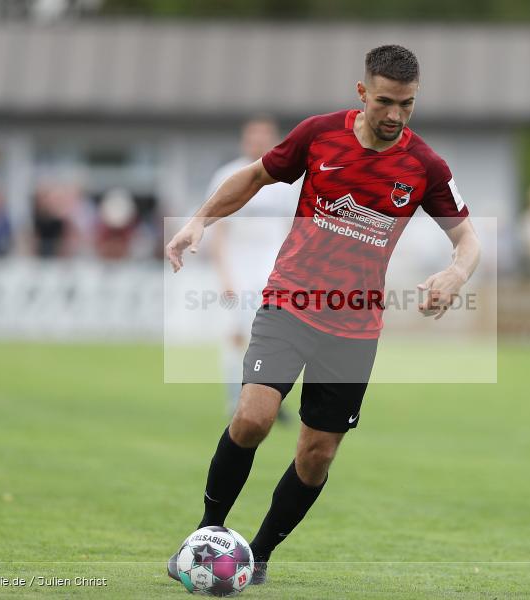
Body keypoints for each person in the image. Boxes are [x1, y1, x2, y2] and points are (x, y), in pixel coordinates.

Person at [164, 45, 480, 586]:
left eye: (406, 105)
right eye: (384, 101)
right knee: (252, 419)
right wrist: (200, 221)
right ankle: (205, 537)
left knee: (316, 455)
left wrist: (456, 274)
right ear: (362, 93)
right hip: (290, 302)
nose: (394, 115)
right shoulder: (319, 135)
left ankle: (257, 556)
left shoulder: (424, 165)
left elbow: (467, 238)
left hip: (355, 327)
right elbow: (256, 176)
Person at [206, 116, 301, 419]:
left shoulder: (286, 180)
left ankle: (268, 397)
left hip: (272, 269)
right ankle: (236, 398)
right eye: (253, 136)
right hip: (238, 267)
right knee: (236, 333)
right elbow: (217, 230)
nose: (258, 142)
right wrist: (223, 274)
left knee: (273, 336)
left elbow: (292, 230)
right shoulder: (228, 175)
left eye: (265, 136)